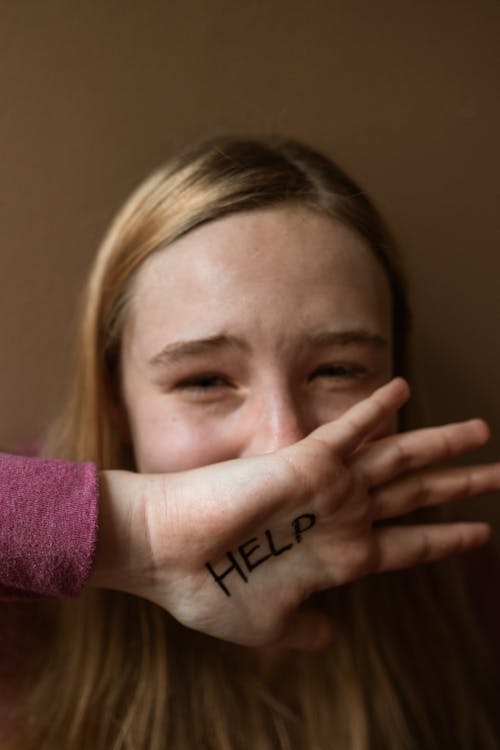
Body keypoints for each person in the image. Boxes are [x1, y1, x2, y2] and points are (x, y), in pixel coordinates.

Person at [2, 136, 499, 748]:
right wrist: (139, 537)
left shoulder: (467, 602)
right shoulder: (26, 608)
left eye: (338, 370)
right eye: (205, 380)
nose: (283, 450)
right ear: (116, 403)